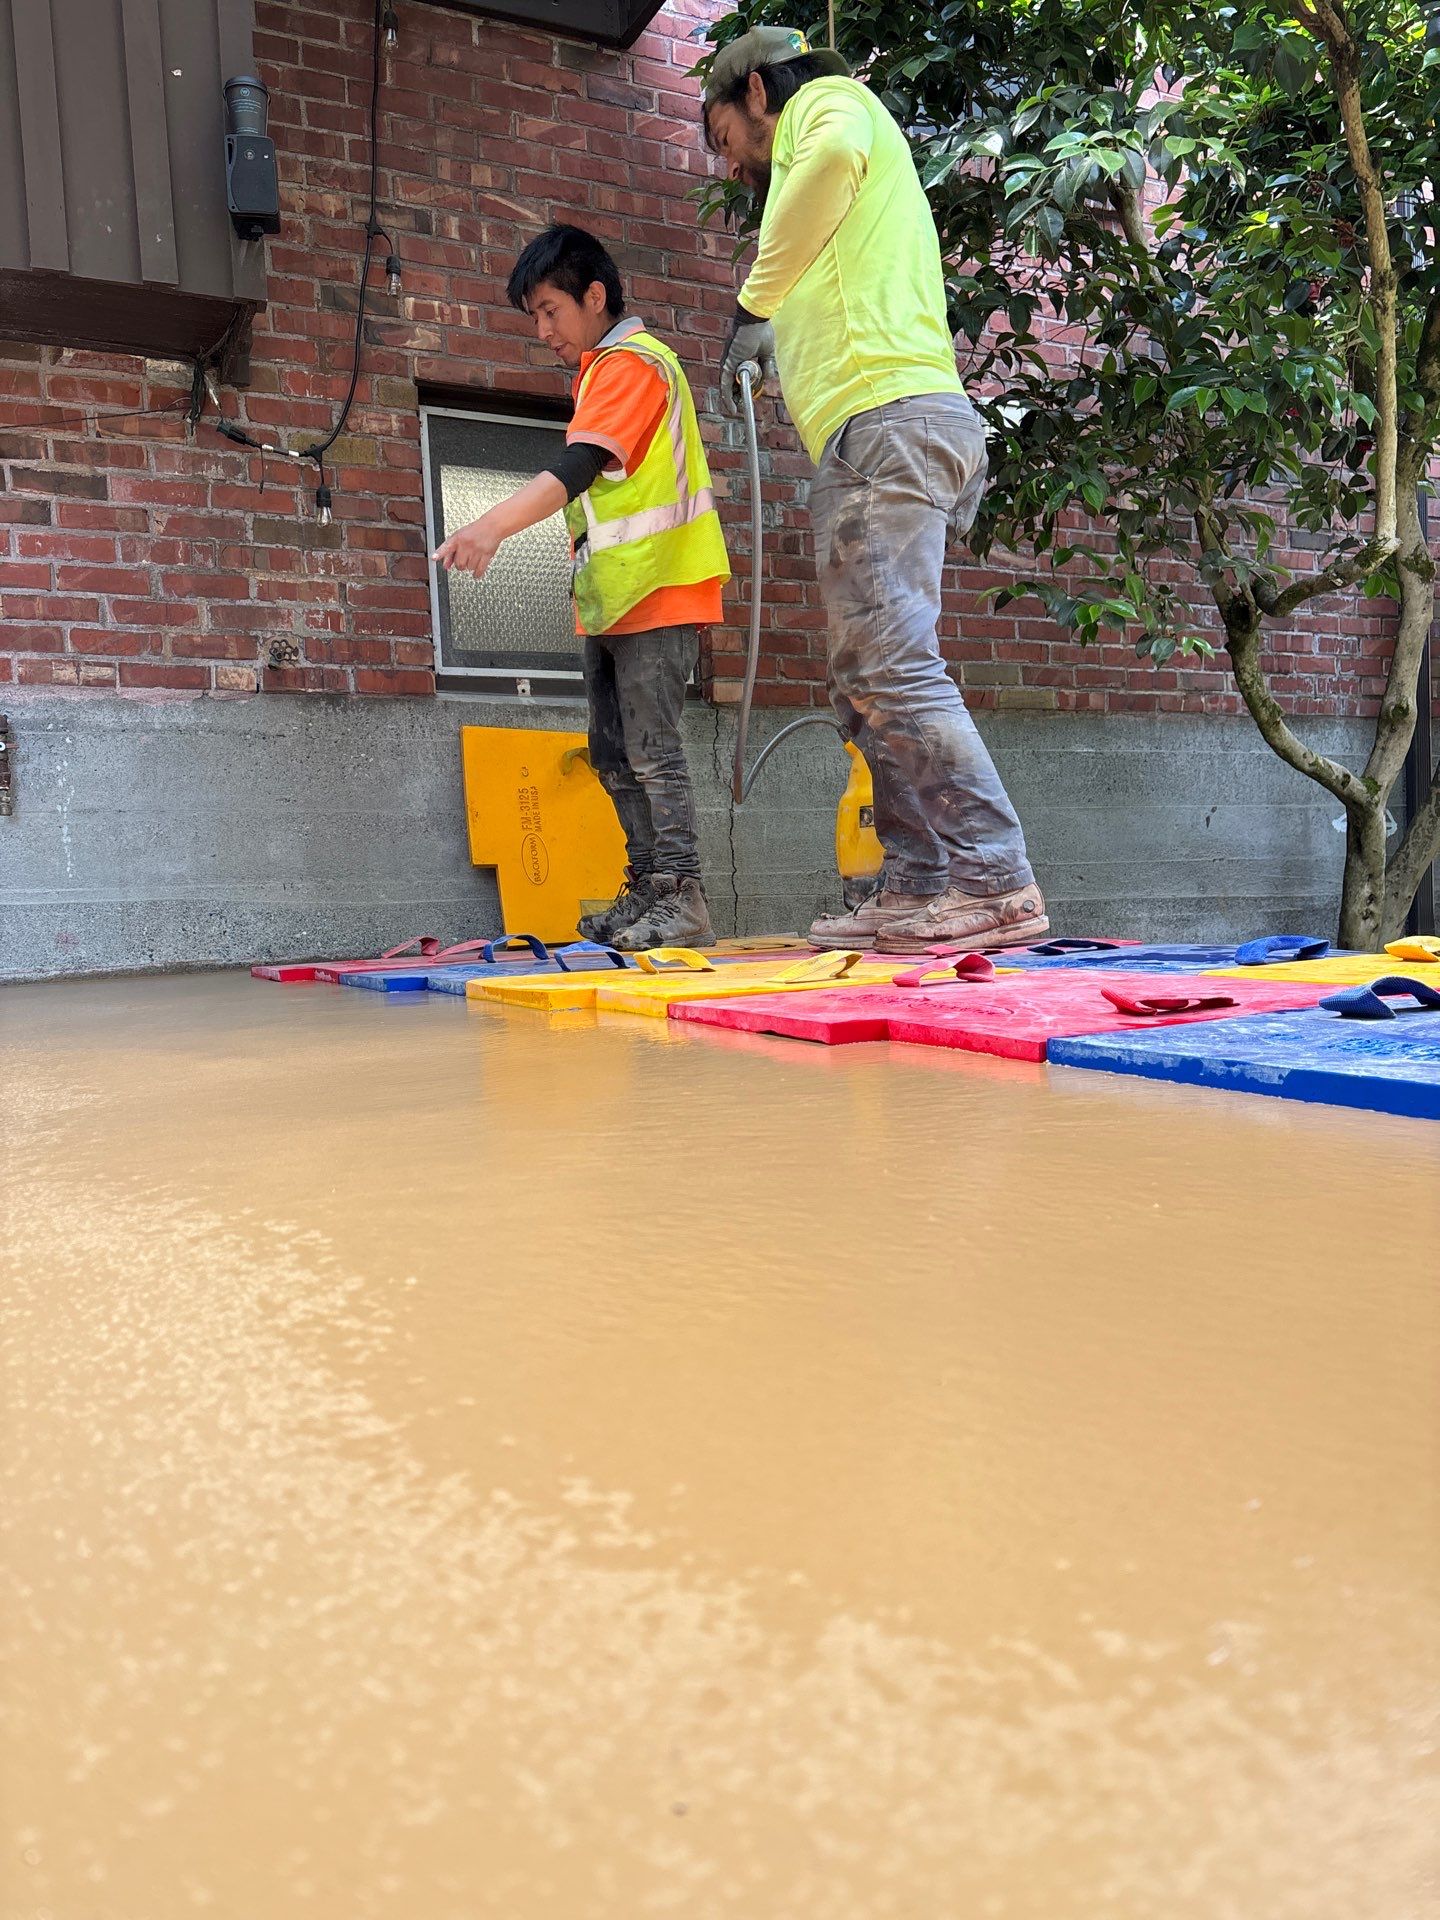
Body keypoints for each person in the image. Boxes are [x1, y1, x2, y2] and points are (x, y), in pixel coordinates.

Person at [702, 28, 1047, 952]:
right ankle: (923, 881)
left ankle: (995, 880)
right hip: (885, 429)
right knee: (865, 680)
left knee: (891, 668)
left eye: (724, 133)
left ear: (760, 93)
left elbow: (834, 160)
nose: (729, 161)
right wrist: (785, 331)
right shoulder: (828, 149)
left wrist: (751, 311)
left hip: (887, 427)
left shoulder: (831, 107)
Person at [433, 224, 729, 951]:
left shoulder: (632, 364)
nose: (543, 330)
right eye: (533, 315)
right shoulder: (603, 370)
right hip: (617, 593)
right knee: (611, 749)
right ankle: (649, 886)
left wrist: (492, 526)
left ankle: (680, 896)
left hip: (658, 587)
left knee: (652, 748)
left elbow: (581, 466)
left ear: (594, 296)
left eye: (549, 310)